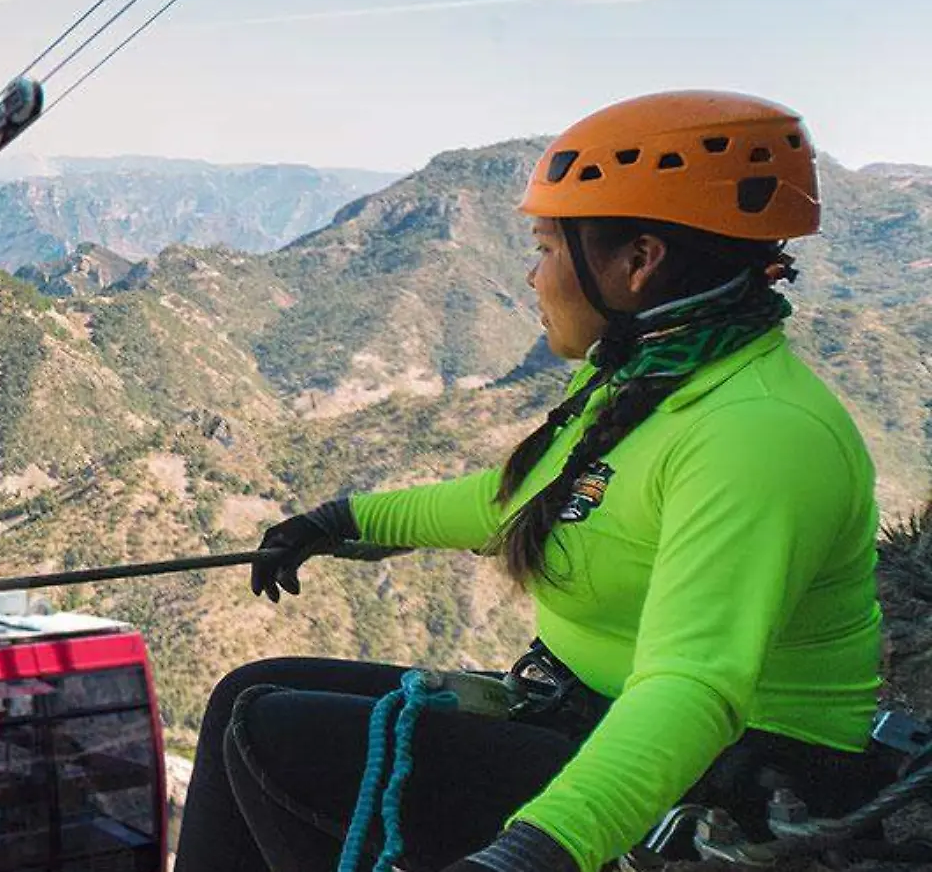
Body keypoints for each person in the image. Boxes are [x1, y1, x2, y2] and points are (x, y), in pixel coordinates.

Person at [175, 91, 891, 872]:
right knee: (249, 690)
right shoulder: (659, 379)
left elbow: (693, 689)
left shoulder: (758, 432)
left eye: (549, 247)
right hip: (591, 711)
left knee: (273, 737)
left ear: (638, 261)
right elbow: (527, 502)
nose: (531, 274)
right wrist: (344, 518)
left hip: (730, 779)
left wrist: (534, 851)